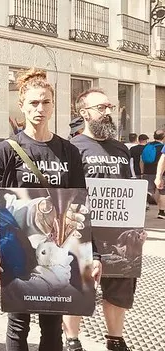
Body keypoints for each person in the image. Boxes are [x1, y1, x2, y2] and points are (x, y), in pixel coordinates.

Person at [0, 68, 97, 351]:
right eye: (34, 102)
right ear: (21, 105)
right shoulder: (7, 149)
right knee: (18, 322)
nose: (40, 108)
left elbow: (79, 202)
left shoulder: (68, 151)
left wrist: (91, 254)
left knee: (52, 324)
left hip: (59, 251)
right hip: (18, 248)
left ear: (53, 105)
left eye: (45, 102)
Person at [67, 88, 132, 351]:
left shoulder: (121, 149)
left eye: (109, 107)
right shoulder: (72, 147)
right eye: (100, 108)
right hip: (83, 231)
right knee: (78, 286)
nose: (107, 112)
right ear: (84, 113)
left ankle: (115, 340)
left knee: (118, 290)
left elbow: (131, 188)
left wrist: (136, 225)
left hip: (118, 233)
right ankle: (72, 340)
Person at [144, 130, 165, 218]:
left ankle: (161, 211)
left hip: (149, 170)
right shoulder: (161, 146)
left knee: (161, 192)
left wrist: (158, 176)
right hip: (160, 171)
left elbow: (163, 160)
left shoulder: (148, 145)